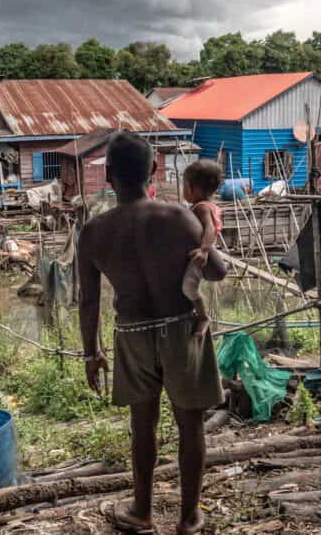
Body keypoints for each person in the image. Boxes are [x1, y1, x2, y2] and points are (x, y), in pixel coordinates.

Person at [78, 131, 227, 535]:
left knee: (142, 425)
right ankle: (189, 517)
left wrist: (91, 353)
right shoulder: (178, 216)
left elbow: (88, 301)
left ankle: (142, 511)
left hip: (131, 333)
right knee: (190, 424)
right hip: (181, 330)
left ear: (109, 175)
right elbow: (216, 271)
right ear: (154, 170)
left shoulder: (93, 232)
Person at [181, 160, 224, 338]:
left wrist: (204, 250)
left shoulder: (201, 208)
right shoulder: (209, 205)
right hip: (204, 251)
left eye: (184, 186)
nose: (183, 190)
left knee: (188, 288)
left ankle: (203, 317)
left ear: (193, 188)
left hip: (201, 255)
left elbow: (209, 228)